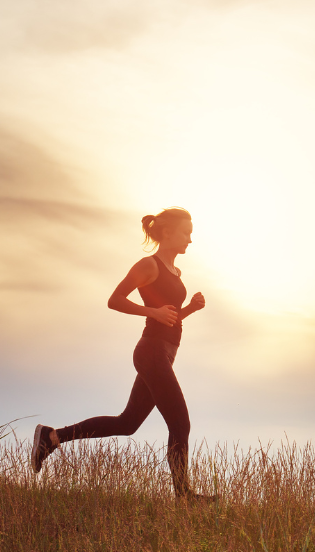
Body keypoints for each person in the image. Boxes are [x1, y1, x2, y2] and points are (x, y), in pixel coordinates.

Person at [29, 207, 212, 500]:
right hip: (151, 351)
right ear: (167, 232)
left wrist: (190, 308)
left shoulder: (176, 272)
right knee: (180, 422)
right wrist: (151, 309)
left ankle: (51, 437)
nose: (190, 239)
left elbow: (168, 319)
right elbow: (115, 300)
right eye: (186, 233)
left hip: (163, 353)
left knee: (127, 423)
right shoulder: (148, 265)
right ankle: (185, 497)